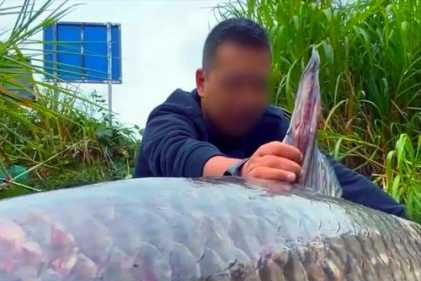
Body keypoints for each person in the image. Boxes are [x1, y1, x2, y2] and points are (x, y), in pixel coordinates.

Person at [133, 17, 405, 217]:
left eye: (259, 85)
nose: (249, 99)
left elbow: (334, 176)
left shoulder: (271, 125)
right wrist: (241, 171)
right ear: (202, 81)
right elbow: (179, 153)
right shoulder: (171, 117)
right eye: (235, 84)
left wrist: (400, 218)